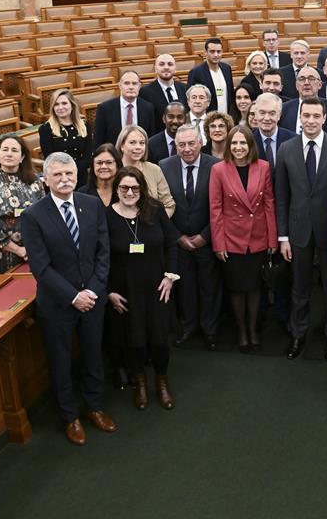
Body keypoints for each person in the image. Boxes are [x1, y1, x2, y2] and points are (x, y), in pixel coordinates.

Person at [22, 152, 115, 445]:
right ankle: (70, 417)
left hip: (93, 297)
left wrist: (94, 290)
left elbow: (103, 252)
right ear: (46, 179)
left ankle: (94, 407)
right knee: (61, 361)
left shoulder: (91, 204)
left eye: (69, 174)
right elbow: (41, 267)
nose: (64, 180)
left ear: (77, 176)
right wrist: (74, 296)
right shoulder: (33, 215)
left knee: (92, 355)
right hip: (58, 303)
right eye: (58, 175)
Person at [274, 98, 327, 361]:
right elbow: (282, 196)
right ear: (299, 117)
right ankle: (298, 335)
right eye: (305, 115)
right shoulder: (286, 149)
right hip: (297, 233)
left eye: (315, 116)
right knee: (299, 288)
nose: (310, 120)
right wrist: (283, 236)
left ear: (324, 118)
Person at [105, 167, 180, 410]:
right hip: (124, 291)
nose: (129, 192)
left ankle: (162, 382)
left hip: (158, 287)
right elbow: (99, 256)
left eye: (134, 188)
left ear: (142, 189)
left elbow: (172, 244)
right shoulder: (106, 216)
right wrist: (108, 291)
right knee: (134, 340)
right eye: (124, 188)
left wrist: (170, 276)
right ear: (117, 189)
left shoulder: (155, 210)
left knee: (159, 340)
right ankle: (140, 385)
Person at [210, 126, 277, 353]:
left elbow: (269, 203)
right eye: (235, 143)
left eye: (243, 143)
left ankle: (254, 329)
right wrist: (218, 243)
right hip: (232, 239)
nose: (239, 148)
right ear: (229, 146)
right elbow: (215, 209)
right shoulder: (219, 169)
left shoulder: (264, 167)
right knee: (237, 288)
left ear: (250, 146)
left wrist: (272, 240)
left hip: (258, 237)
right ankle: (241, 331)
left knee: (255, 287)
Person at [159, 124, 221, 350]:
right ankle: (187, 328)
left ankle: (210, 331)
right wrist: (178, 237)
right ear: (175, 146)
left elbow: (220, 206)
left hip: (207, 239)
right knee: (184, 288)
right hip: (178, 241)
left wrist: (205, 236)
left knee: (209, 288)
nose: (187, 149)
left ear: (201, 142)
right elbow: (160, 207)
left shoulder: (215, 166)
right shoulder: (164, 167)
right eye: (181, 144)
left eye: (191, 143)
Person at [0, 134, 45, 279]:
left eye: (14, 150)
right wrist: (19, 250)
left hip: (32, 251)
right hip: (1, 254)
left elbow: (44, 214)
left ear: (22, 157)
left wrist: (34, 248)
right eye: (5, 150)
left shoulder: (35, 181)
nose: (9, 154)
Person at [116, 125, 175, 217]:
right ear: (122, 146)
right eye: (132, 142)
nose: (138, 147)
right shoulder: (113, 170)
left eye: (142, 143)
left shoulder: (154, 169)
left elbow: (169, 204)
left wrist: (157, 224)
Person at [39, 89, 94, 186]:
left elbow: (88, 157)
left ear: (72, 105)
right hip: (58, 178)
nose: (60, 107)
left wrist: (72, 171)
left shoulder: (84, 126)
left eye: (64, 103)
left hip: (81, 177)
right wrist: (66, 173)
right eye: (56, 104)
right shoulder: (45, 129)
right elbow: (50, 158)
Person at [92, 70, 155, 149]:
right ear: (120, 86)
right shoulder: (105, 108)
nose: (131, 87)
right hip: (114, 156)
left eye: (134, 83)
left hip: (139, 154)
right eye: (126, 83)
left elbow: (151, 138)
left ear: (139, 86)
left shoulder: (148, 107)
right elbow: (98, 140)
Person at [280, 66, 327, 132]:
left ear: (320, 85)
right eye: (302, 79)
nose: (306, 83)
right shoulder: (284, 108)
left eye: (311, 78)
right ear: (296, 85)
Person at [139, 54, 188, 134]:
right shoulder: (144, 93)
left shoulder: (185, 89)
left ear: (175, 68)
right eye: (161, 64)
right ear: (155, 68)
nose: (166, 67)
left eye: (170, 64)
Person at [187, 38, 234, 113]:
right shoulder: (196, 72)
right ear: (205, 52)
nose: (216, 55)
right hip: (207, 118)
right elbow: (190, 99)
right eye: (212, 52)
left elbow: (231, 94)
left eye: (218, 52)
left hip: (226, 117)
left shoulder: (226, 68)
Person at [252, 93, 295, 172]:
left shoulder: (293, 140)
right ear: (256, 115)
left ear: (279, 115)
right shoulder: (248, 141)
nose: (267, 118)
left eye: (272, 113)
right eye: (262, 113)